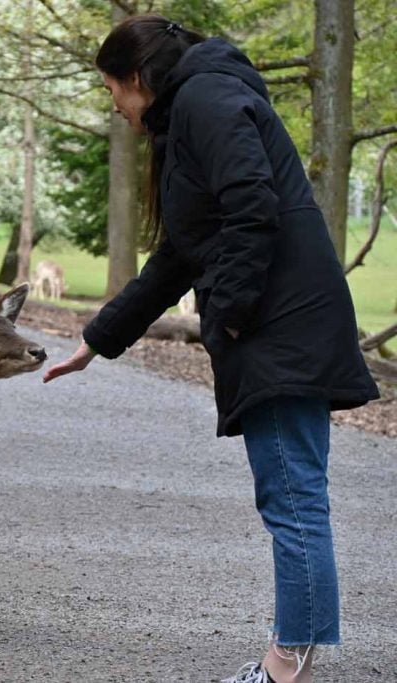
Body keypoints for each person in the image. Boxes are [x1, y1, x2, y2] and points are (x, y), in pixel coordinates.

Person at [42, 15, 380, 683]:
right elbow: (178, 255)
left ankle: (285, 667)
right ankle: (292, 661)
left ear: (137, 79)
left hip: (280, 323)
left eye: (112, 90)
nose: (114, 106)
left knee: (292, 494)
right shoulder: (195, 107)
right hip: (280, 318)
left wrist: (225, 315)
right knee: (292, 492)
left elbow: (253, 204)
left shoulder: (205, 98)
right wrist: (97, 338)